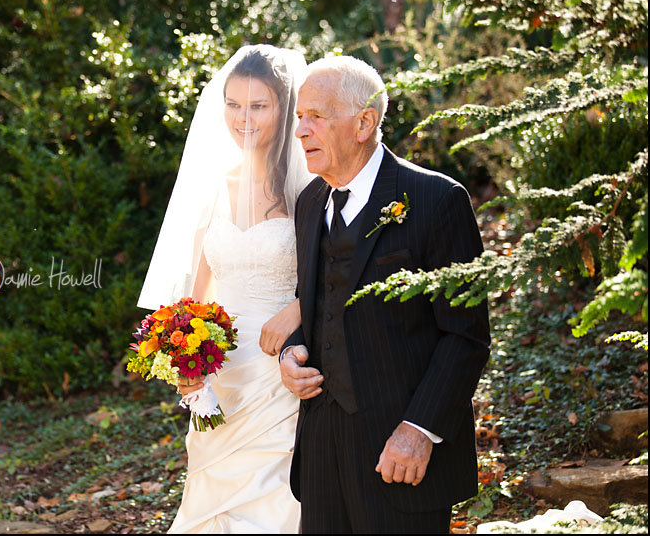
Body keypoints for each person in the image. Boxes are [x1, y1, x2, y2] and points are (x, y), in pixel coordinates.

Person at [279, 56, 491, 533]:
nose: (301, 131)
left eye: (316, 116)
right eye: (299, 118)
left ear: (364, 123)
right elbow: (314, 303)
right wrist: (291, 354)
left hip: (399, 451)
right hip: (320, 451)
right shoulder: (310, 203)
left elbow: (467, 336)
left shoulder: (438, 201)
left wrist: (419, 430)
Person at [137, 44, 313, 533]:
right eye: (234, 105)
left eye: (259, 106)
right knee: (212, 501)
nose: (244, 119)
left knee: (273, 497)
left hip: (280, 367)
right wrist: (181, 361)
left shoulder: (307, 191)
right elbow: (193, 296)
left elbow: (334, 275)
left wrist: (298, 309)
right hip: (218, 369)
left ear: (284, 107)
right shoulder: (213, 188)